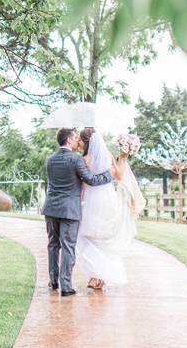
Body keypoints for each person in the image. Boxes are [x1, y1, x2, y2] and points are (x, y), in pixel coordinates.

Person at [41, 127, 118, 297]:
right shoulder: (76, 160)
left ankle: (53, 281)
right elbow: (91, 180)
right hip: (70, 210)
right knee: (68, 247)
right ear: (68, 140)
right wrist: (108, 174)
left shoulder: (49, 159)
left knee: (53, 245)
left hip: (51, 208)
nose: (78, 140)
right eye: (75, 137)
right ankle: (66, 286)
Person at [76, 128, 145, 289]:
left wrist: (78, 201)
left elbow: (84, 184)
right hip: (108, 199)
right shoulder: (107, 155)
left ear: (86, 142)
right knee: (104, 237)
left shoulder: (84, 160)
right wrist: (121, 157)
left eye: (79, 139)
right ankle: (98, 276)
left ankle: (96, 275)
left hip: (94, 200)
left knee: (92, 236)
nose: (78, 141)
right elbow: (119, 175)